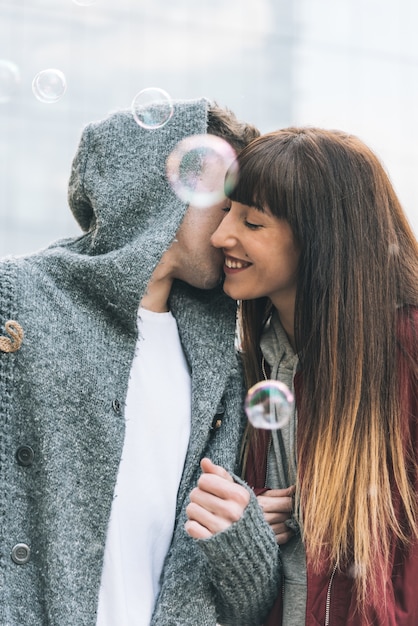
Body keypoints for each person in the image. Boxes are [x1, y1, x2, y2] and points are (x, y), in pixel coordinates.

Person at [0, 98, 281, 625]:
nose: (231, 231)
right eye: (225, 203)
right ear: (157, 192)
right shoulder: (16, 302)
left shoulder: (224, 370)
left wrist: (242, 540)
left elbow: (249, 607)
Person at [206, 127, 418, 625]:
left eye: (252, 223)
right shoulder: (261, 362)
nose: (221, 237)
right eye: (224, 212)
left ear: (321, 241)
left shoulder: (406, 350)